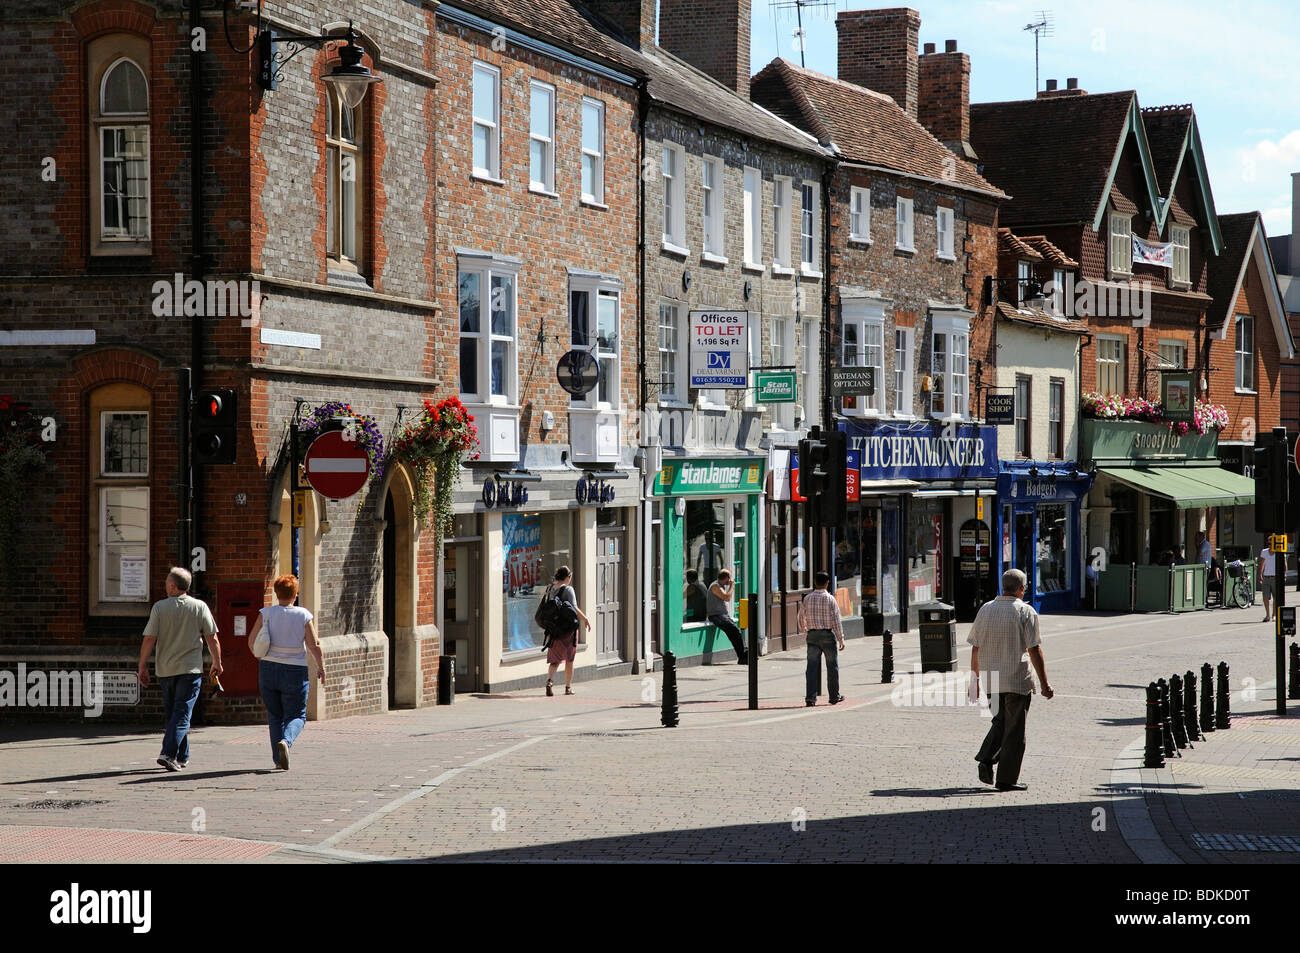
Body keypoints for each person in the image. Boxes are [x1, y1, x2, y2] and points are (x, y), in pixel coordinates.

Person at [968, 568, 1054, 792]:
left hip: (991, 679)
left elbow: (976, 648)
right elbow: (1034, 650)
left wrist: (974, 679)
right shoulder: (1026, 611)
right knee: (1014, 730)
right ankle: (1007, 779)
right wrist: (1044, 684)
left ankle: (986, 758)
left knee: (1000, 722)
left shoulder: (985, 609)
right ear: (1022, 589)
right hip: (1016, 680)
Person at [137, 568, 222, 772]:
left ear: (173, 586)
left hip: (165, 669)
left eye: (167, 581)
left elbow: (149, 638)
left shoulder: (159, 607)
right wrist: (217, 662)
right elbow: (212, 638)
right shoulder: (199, 606)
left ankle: (173, 754)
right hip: (190, 669)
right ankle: (174, 755)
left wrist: (142, 665)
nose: (165, 585)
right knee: (181, 714)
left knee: (175, 714)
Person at [246, 575, 324, 771]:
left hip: (268, 668)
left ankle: (278, 760)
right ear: (295, 594)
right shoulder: (303, 615)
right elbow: (313, 644)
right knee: (297, 715)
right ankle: (286, 742)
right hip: (295, 670)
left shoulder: (266, 613)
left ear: (276, 593)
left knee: (274, 715)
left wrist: (261, 658)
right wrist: (321, 666)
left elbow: (252, 640)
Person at [799, 570, 845, 707]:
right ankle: (834, 696)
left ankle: (810, 698)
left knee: (811, 667)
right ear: (827, 583)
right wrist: (841, 638)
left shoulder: (807, 598)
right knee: (832, 666)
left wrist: (805, 631)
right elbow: (837, 620)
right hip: (827, 635)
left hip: (812, 635)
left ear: (814, 582)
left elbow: (801, 617)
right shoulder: (831, 599)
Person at [544, 566, 590, 697]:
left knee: (555, 660)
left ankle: (550, 682)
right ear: (568, 577)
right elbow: (574, 608)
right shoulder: (568, 589)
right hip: (568, 630)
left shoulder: (549, 589)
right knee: (569, 659)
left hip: (553, 630)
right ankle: (568, 687)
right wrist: (585, 619)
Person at [707, 568, 749, 665]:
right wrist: (732, 586)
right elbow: (727, 597)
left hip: (722, 615)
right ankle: (743, 656)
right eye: (730, 578)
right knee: (734, 630)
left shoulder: (720, 585)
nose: (731, 580)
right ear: (727, 578)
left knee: (735, 632)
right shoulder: (715, 586)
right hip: (716, 616)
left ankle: (743, 655)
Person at [1259, 543, 1278, 622]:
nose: (1270, 545)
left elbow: (1284, 564)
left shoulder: (1279, 552)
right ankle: (1267, 615)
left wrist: (1284, 575)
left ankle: (1274, 615)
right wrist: (1260, 574)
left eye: (1272, 543)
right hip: (1266, 577)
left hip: (1275, 577)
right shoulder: (1264, 551)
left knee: (1276, 597)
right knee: (1265, 597)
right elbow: (1262, 564)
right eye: (1269, 543)